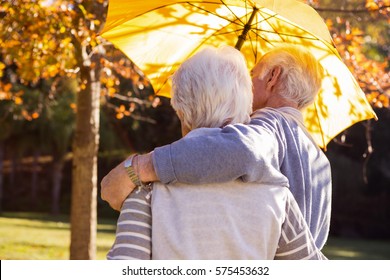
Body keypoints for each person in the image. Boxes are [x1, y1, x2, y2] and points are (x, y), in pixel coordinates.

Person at [102, 44, 331, 254]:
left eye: (252, 74)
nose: (247, 85)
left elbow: (243, 151)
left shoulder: (268, 127)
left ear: (273, 76)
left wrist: (143, 167)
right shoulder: (320, 160)